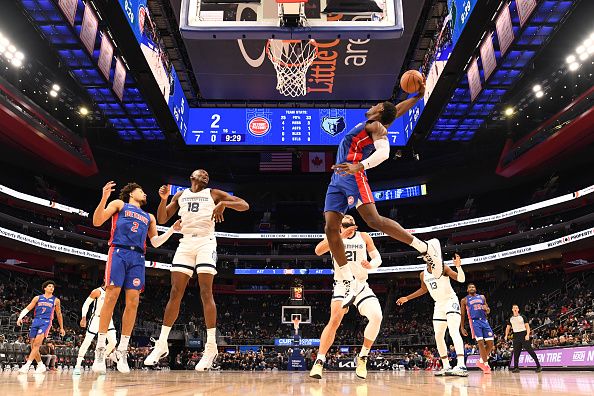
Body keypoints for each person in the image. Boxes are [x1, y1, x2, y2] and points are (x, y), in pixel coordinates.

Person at [324, 84, 444, 308]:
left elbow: (384, 152)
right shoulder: (377, 121)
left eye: (377, 104)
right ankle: (346, 280)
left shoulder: (376, 125)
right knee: (331, 229)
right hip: (337, 180)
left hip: (352, 174)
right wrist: (416, 97)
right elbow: (396, 110)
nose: (373, 105)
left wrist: (360, 165)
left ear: (379, 112)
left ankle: (424, 247)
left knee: (373, 220)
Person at [144, 169, 249, 371]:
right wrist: (163, 199)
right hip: (185, 244)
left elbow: (245, 205)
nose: (205, 175)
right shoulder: (180, 195)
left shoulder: (214, 193)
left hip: (205, 243)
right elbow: (163, 218)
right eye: (201, 173)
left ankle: (211, 346)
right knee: (175, 292)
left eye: (207, 175)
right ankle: (162, 343)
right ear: (192, 177)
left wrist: (224, 203)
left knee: (205, 291)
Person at [91, 181, 180, 374]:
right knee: (112, 298)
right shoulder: (119, 205)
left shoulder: (149, 216)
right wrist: (104, 198)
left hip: (138, 257)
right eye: (142, 190)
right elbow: (97, 221)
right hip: (118, 253)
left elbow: (155, 242)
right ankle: (99, 349)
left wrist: (172, 229)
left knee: (133, 303)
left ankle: (121, 351)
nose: (145, 193)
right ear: (131, 193)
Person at [309, 215, 383, 380]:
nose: (347, 216)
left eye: (350, 216)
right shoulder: (333, 236)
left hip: (361, 284)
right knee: (334, 320)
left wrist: (372, 265)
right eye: (344, 217)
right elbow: (318, 250)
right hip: (342, 284)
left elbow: (378, 258)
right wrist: (340, 236)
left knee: (377, 316)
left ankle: (363, 357)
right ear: (339, 224)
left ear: (354, 223)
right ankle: (319, 361)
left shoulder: (364, 236)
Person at [396, 253, 467, 377]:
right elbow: (424, 289)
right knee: (438, 336)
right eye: (426, 257)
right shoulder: (423, 274)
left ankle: (461, 364)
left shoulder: (443, 268)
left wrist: (459, 267)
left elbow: (461, 279)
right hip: (438, 304)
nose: (428, 258)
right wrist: (407, 298)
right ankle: (446, 366)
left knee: (453, 331)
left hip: (450, 301)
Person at [16, 280, 65, 374]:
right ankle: (41, 365)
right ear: (45, 288)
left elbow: (59, 314)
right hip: (36, 321)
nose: (52, 288)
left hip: (46, 322)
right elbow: (28, 308)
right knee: (33, 345)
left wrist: (61, 327)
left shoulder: (56, 300)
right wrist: (20, 317)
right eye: (50, 286)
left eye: (53, 287)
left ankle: (26, 366)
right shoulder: (37, 298)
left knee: (36, 344)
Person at [73, 285, 118, 375]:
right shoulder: (97, 291)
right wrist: (83, 317)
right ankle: (77, 365)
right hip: (97, 318)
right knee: (87, 341)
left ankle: (100, 360)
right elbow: (86, 304)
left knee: (113, 342)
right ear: (105, 279)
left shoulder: (114, 292)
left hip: (109, 319)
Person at [460, 283, 494, 374]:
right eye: (470, 287)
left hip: (484, 321)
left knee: (490, 343)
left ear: (475, 289)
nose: (472, 288)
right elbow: (462, 314)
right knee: (481, 343)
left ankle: (481, 361)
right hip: (474, 322)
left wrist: (487, 309)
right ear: (467, 290)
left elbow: (488, 309)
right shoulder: (464, 300)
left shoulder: (482, 297)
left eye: (473, 287)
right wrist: (462, 327)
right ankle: (486, 365)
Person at [504, 304, 542, 373]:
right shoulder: (510, 318)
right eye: (514, 308)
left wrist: (527, 334)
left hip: (523, 334)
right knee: (516, 352)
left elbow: (527, 326)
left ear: (518, 309)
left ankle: (538, 366)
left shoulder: (522, 317)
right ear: (512, 310)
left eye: (516, 308)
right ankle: (516, 368)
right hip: (516, 335)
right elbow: (507, 328)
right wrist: (506, 335)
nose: (515, 309)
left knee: (530, 350)